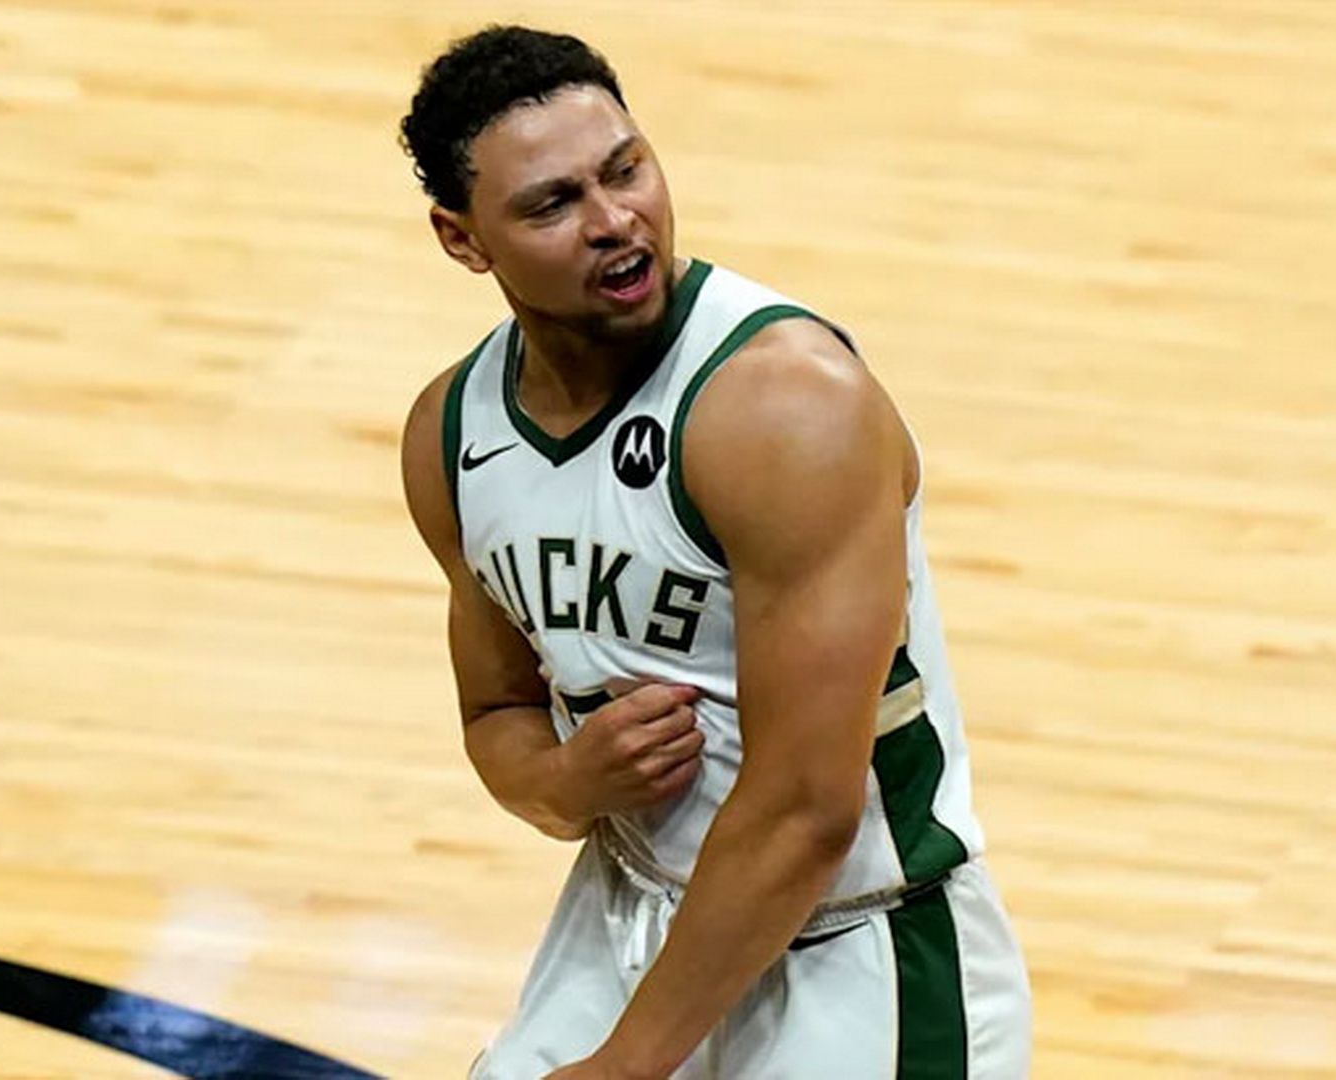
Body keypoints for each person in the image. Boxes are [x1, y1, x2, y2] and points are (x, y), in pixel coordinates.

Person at [397, 25, 1030, 1079]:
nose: (615, 221)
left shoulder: (785, 406)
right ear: (464, 241)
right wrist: (567, 779)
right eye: (553, 205)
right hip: (626, 916)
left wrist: (626, 1064)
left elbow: (805, 811)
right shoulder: (452, 433)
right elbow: (496, 713)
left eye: (625, 170)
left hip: (859, 953)